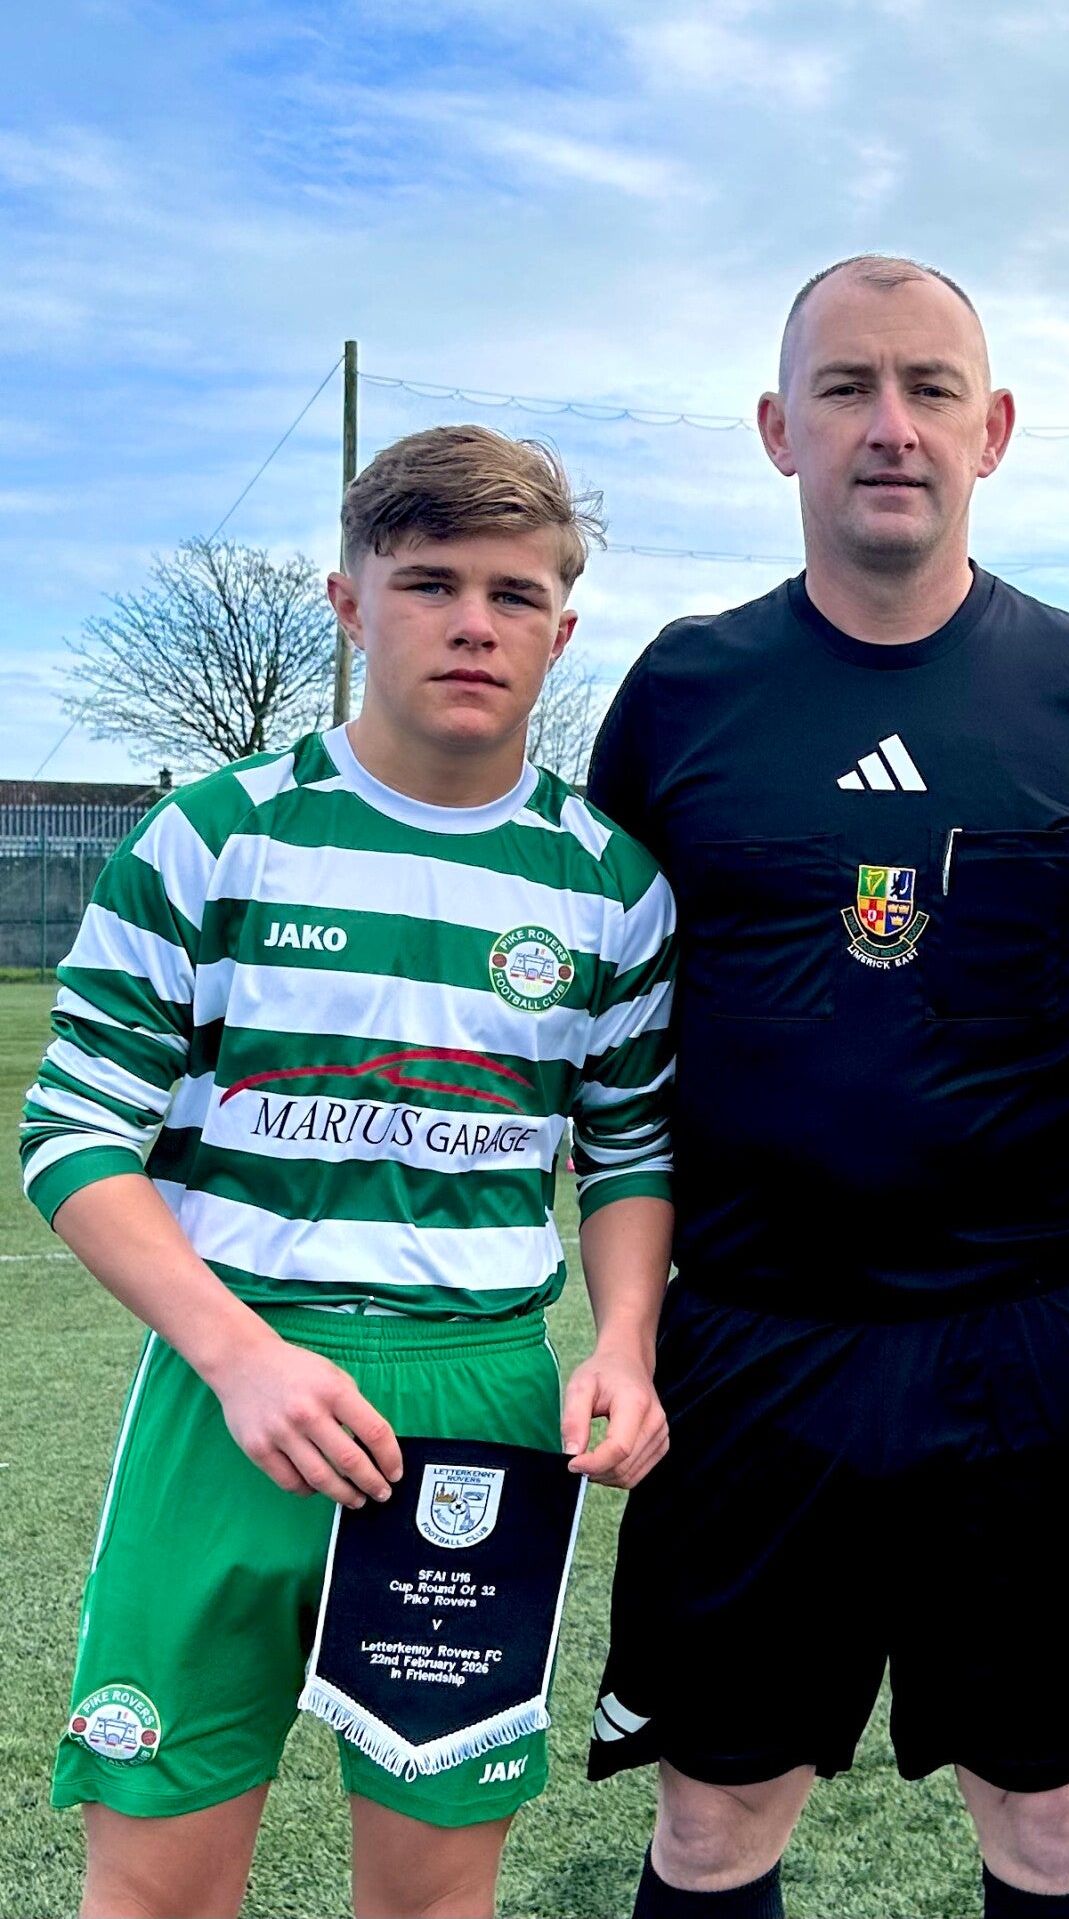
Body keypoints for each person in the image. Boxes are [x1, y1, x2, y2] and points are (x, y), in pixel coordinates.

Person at [585, 254, 1069, 1919]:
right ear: (776, 428)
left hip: (1024, 1347)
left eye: (931, 389)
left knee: (1052, 1826)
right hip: (748, 1345)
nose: (891, 427)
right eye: (847, 390)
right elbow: (610, 1032)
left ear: (992, 430)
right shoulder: (683, 692)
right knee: (714, 1825)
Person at [22, 425, 678, 1919]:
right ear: (346, 599)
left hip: (478, 1401)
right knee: (153, 1884)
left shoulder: (608, 885)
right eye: (428, 582)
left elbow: (630, 1147)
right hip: (231, 1388)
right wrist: (240, 1358)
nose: (471, 623)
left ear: (560, 631)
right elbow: (70, 1135)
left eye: (514, 596)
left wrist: (627, 1345)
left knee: (434, 1898)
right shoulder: (214, 838)